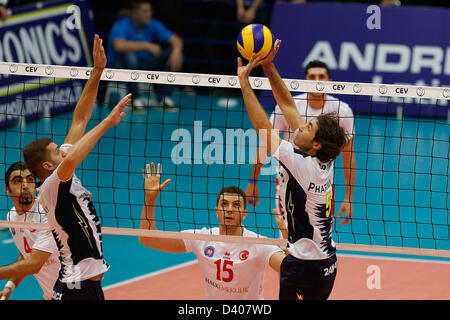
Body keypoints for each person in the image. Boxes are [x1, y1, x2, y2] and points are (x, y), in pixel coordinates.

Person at [22, 34, 131, 300]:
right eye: (56, 150)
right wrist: (108, 121)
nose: (64, 148)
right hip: (78, 287)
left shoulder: (60, 173)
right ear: (48, 165)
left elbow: (80, 119)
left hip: (80, 284)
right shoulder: (52, 185)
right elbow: (71, 160)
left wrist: (97, 71)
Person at [237, 40, 347, 300]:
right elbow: (288, 105)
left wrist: (244, 82)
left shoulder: (299, 162)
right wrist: (268, 65)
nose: (303, 126)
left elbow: (262, 127)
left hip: (304, 266)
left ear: (316, 143)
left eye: (309, 128)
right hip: (327, 262)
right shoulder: (322, 158)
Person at [138, 162, 286, 300]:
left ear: (244, 213)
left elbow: (290, 268)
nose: (229, 209)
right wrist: (149, 200)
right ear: (217, 211)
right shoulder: (202, 238)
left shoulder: (258, 244)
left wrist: (287, 238)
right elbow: (148, 239)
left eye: (236, 205)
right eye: (224, 204)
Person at [246, 59, 356, 226]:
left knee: (295, 234)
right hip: (292, 179)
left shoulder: (343, 111)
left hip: (317, 183)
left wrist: (348, 197)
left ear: (329, 81)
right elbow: (266, 142)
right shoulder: (295, 107)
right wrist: (253, 180)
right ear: (305, 81)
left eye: (321, 76)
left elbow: (348, 156)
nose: (316, 80)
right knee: (310, 236)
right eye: (312, 76)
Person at [107, 0, 183, 111]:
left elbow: (176, 41)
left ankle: (164, 98)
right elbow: (118, 45)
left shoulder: (152, 24)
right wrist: (147, 46)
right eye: (145, 11)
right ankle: (135, 99)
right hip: (119, 66)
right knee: (129, 56)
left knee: (176, 54)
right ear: (135, 14)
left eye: (150, 11)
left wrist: (176, 51)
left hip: (144, 63)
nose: (149, 14)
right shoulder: (122, 24)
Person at [0, 162, 60, 300]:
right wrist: (10, 285)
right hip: (52, 295)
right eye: (18, 181)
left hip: (76, 290)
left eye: (30, 180)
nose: (25, 185)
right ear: (7, 189)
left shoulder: (47, 214)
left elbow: (34, 264)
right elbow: (26, 255)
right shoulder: (11, 216)